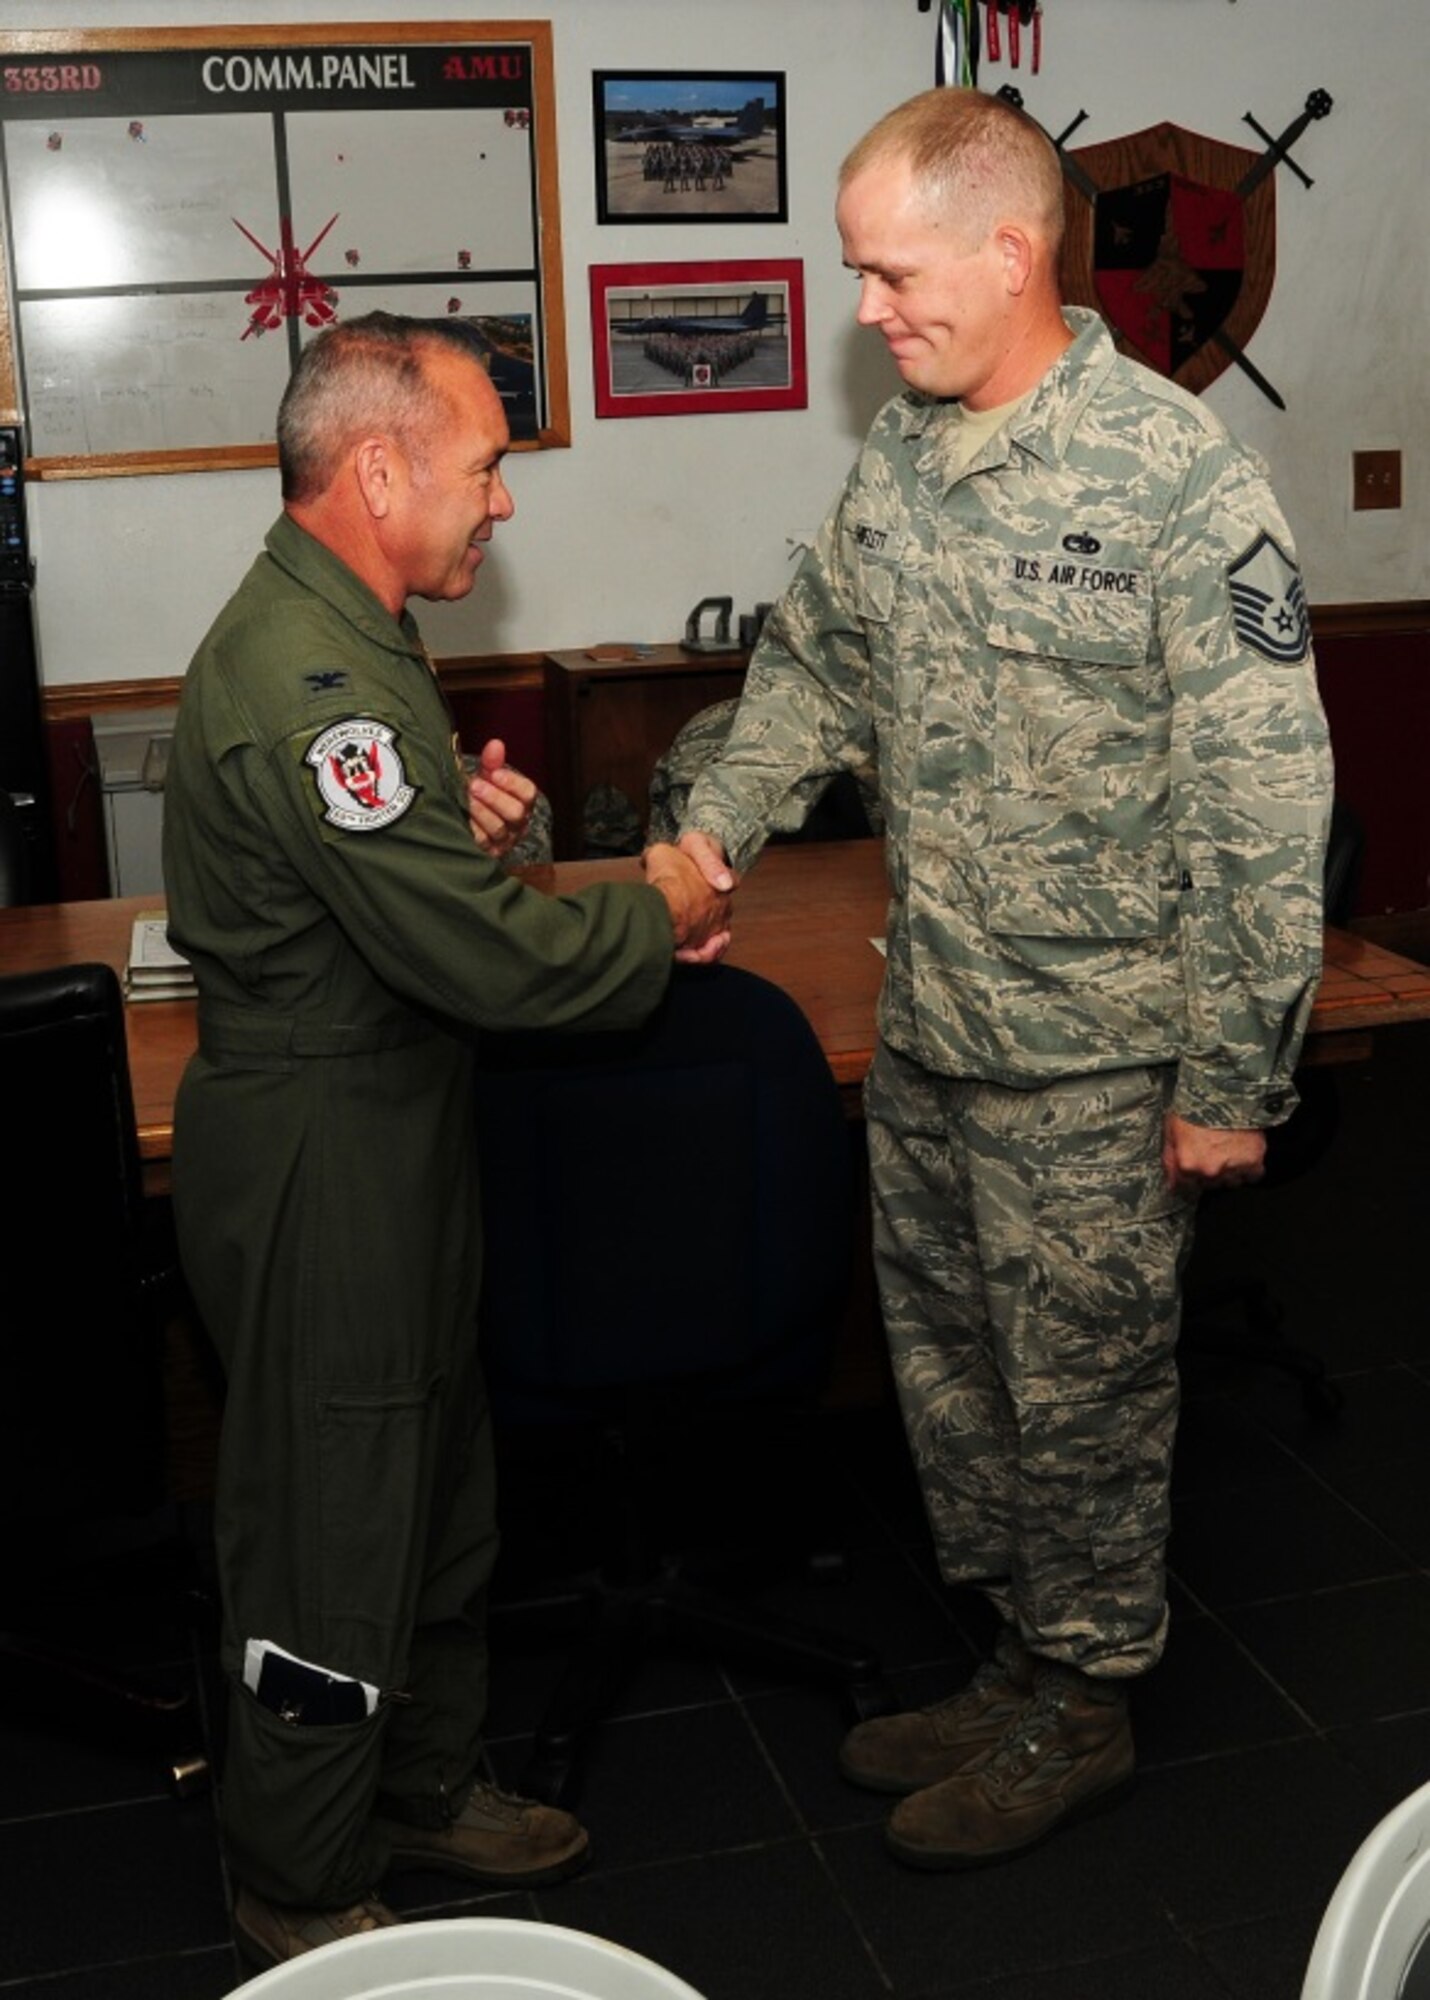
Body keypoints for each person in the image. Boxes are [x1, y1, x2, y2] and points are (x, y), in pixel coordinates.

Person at [678, 88, 1332, 1870]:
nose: (868, 310)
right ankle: (1016, 1655)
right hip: (937, 1025)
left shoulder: (1178, 478)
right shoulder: (898, 456)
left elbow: (1264, 798)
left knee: (1087, 1396)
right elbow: (811, 667)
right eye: (857, 279)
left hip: (1104, 1057)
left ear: (1008, 248)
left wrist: (1227, 1081)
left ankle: (1091, 1699)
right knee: (954, 1379)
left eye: (890, 273)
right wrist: (710, 834)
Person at [162, 312, 729, 1966]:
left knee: (428, 1484)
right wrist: (661, 901)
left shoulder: (354, 630)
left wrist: (481, 828)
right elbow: (474, 955)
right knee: (332, 1514)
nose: (502, 503)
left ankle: (413, 1781)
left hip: (394, 1118)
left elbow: (409, 887)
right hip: (324, 1142)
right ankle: (294, 1859)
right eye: (486, 466)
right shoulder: (313, 676)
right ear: (380, 467)